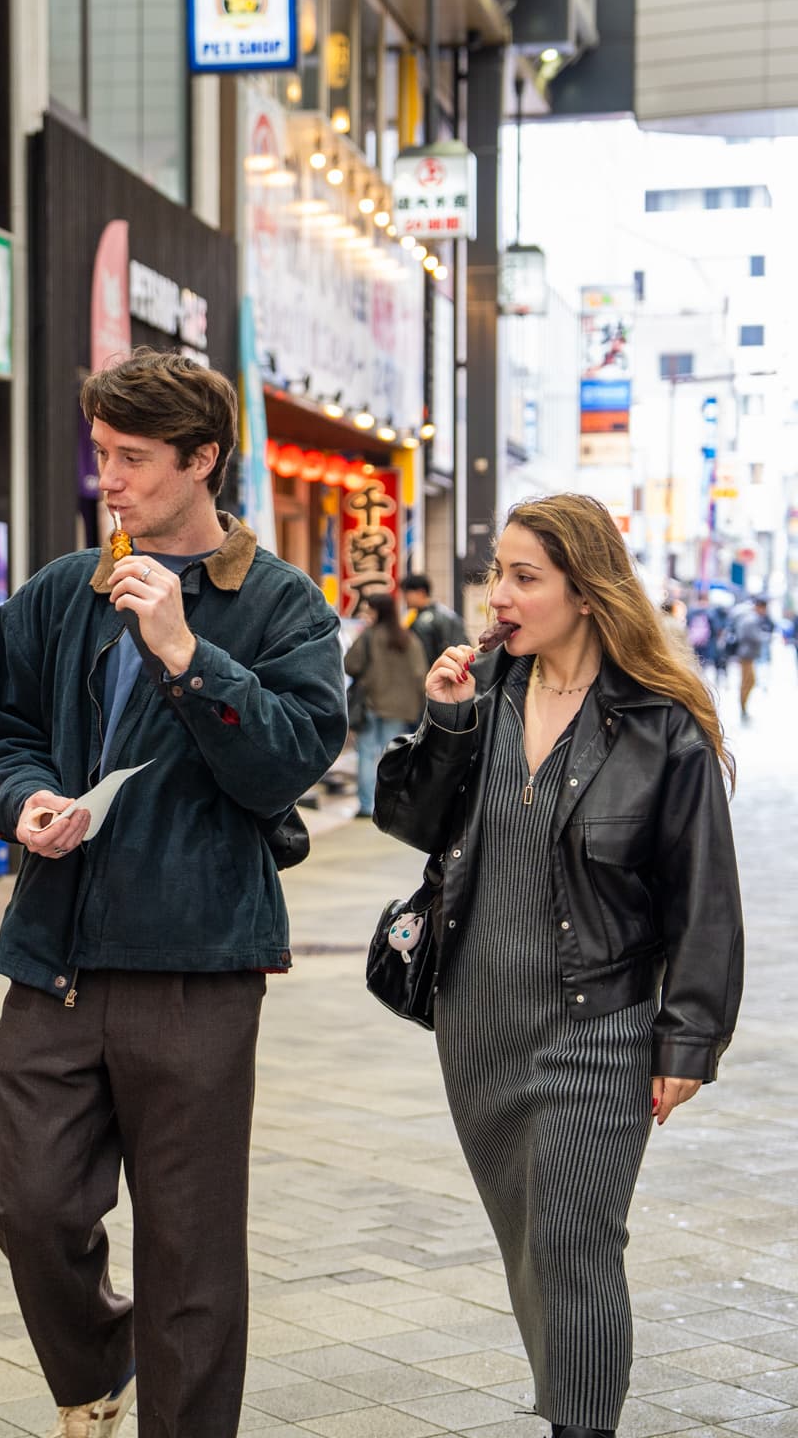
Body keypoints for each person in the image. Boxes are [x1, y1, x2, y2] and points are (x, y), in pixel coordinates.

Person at [0, 350, 347, 1438]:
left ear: (203, 459)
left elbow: (286, 763)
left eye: (131, 459)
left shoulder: (280, 606)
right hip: (55, 955)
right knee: (29, 1207)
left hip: (199, 968)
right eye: (101, 455)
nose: (108, 481)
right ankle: (98, 1360)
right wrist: (24, 799)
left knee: (192, 1251)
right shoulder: (57, 596)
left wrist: (184, 651)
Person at [374, 493, 743, 1438]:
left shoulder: (661, 728)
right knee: (530, 1246)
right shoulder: (486, 693)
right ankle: (569, 1404)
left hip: (600, 1025)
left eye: (523, 577)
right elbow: (412, 825)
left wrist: (687, 1040)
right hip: (478, 1026)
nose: (499, 594)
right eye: (497, 572)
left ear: (586, 591)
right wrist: (446, 722)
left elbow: (705, 897)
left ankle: (581, 1426)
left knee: (576, 1243)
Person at [343, 591, 427, 819]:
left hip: (371, 703)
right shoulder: (408, 638)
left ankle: (366, 805)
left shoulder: (369, 636)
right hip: (400, 707)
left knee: (367, 754)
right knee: (391, 756)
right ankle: (389, 805)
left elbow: (350, 664)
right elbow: (420, 674)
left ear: (377, 611)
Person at [400, 571, 468, 665]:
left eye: (406, 594)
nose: (405, 599)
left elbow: (424, 656)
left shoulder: (424, 621)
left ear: (421, 592)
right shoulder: (446, 614)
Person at [732, 597, 770, 720]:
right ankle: (743, 708)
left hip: (748, 654)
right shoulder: (751, 618)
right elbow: (751, 636)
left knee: (749, 681)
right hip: (746, 654)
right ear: (760, 607)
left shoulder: (750, 617)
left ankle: (743, 708)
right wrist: (765, 636)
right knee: (747, 682)